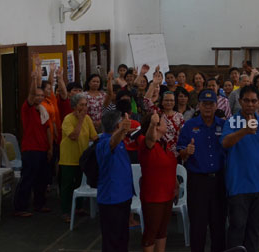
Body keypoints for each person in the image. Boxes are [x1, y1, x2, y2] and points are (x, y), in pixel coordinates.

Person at [221, 85, 259, 252]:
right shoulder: (231, 121)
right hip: (238, 187)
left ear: (258, 102)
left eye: (254, 101)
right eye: (247, 100)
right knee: (237, 229)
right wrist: (244, 131)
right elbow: (225, 143)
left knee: (254, 231)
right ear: (240, 101)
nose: (250, 104)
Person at [177, 89, 227, 252]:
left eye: (211, 104)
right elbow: (181, 152)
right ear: (199, 105)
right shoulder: (190, 125)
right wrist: (186, 151)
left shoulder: (223, 124)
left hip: (219, 181)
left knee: (218, 224)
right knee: (198, 224)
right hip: (197, 181)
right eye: (204, 104)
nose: (207, 107)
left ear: (215, 105)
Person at [14, 55, 53, 217]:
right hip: (30, 149)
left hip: (43, 149)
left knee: (41, 179)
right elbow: (31, 94)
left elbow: (49, 130)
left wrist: (50, 148)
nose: (39, 97)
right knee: (28, 179)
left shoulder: (42, 111)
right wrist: (36, 69)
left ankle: (39, 204)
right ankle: (20, 208)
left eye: (41, 96)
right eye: (37, 95)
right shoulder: (27, 108)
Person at [136, 112, 177, 252]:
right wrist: (153, 124)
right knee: (151, 232)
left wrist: (176, 185)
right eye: (164, 122)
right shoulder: (145, 142)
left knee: (162, 230)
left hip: (168, 194)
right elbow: (150, 139)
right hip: (154, 196)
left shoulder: (164, 144)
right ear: (157, 126)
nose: (167, 124)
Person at [96, 110, 134, 252]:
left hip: (124, 196)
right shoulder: (103, 142)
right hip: (111, 199)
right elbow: (112, 142)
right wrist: (122, 130)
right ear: (116, 126)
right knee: (112, 240)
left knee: (123, 238)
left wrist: (125, 131)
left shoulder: (120, 140)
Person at [58, 93, 98, 222]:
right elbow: (74, 136)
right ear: (74, 106)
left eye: (86, 104)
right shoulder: (68, 119)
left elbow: (94, 137)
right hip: (68, 158)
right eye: (82, 105)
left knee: (79, 182)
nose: (85, 107)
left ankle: (78, 208)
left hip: (82, 158)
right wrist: (80, 120)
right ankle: (65, 211)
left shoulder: (88, 119)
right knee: (67, 186)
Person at [144, 70, 185, 155]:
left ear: (174, 102)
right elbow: (146, 101)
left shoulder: (180, 116)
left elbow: (183, 135)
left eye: (171, 100)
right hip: (159, 151)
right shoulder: (157, 113)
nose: (169, 102)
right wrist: (154, 84)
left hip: (175, 154)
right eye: (166, 100)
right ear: (162, 102)